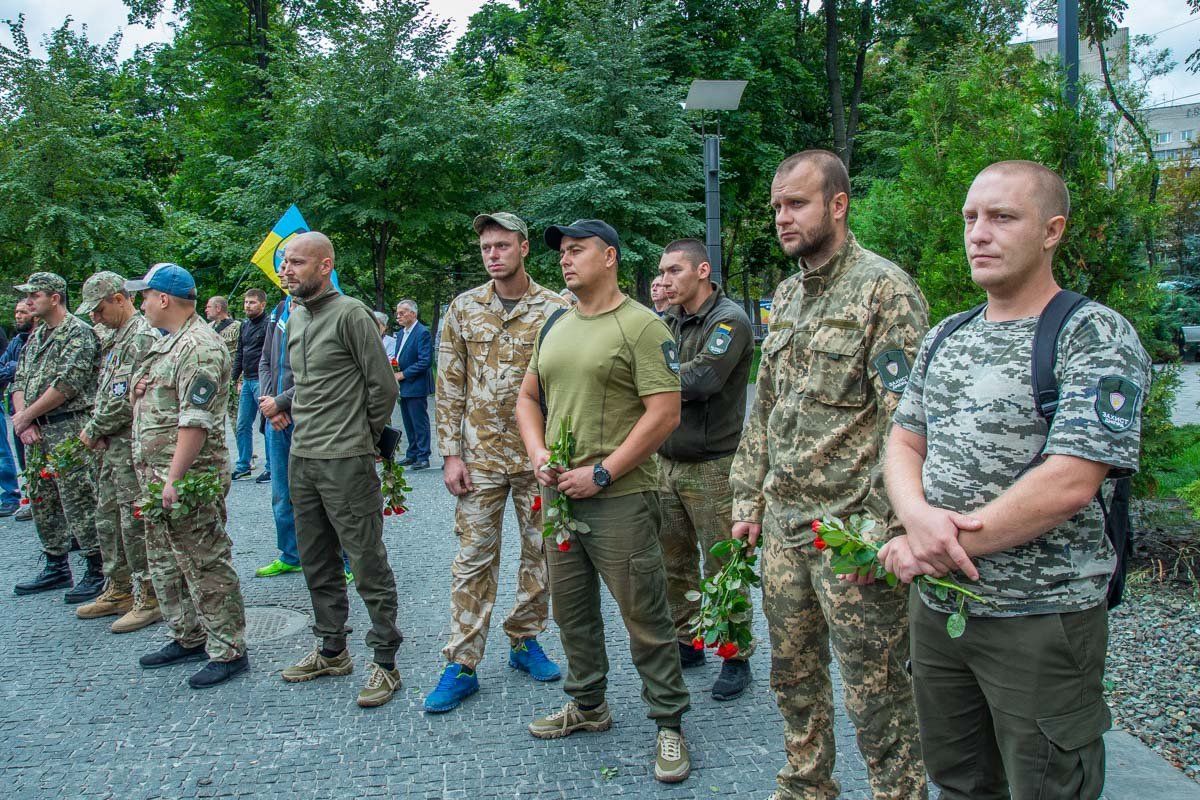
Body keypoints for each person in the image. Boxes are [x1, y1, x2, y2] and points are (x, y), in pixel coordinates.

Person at [879, 161, 1150, 800]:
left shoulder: (1092, 333)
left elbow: (1070, 482)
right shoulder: (948, 333)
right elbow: (903, 440)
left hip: (1041, 619)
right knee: (960, 783)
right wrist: (916, 519)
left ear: (1052, 230)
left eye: (1003, 217)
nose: (979, 233)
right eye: (972, 217)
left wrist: (929, 546)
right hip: (942, 611)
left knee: (1050, 788)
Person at [729, 151, 930, 800]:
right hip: (787, 526)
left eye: (797, 204)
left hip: (850, 534)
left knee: (875, 693)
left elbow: (909, 425)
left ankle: (897, 793)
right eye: (777, 207)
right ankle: (805, 785)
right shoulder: (786, 295)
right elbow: (767, 405)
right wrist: (747, 496)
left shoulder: (884, 290)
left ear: (837, 205)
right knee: (791, 674)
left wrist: (881, 530)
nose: (782, 218)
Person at [515, 218, 692, 784]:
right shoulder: (554, 326)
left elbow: (665, 413)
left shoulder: (641, 327)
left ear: (610, 257)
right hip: (561, 494)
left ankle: (668, 723)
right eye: (562, 253)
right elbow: (527, 398)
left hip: (620, 497)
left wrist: (604, 472)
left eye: (577, 250)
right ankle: (588, 705)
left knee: (644, 612)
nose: (565, 260)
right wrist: (539, 451)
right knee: (571, 612)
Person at [424, 212, 568, 713]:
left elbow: (569, 383)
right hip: (479, 458)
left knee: (543, 554)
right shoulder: (463, 309)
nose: (493, 254)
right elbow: (449, 386)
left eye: (502, 245)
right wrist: (449, 455)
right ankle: (461, 663)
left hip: (538, 456)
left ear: (524, 248)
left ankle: (525, 638)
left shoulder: (557, 307)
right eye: (486, 247)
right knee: (472, 561)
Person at [271, 231, 404, 709]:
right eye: (285, 262)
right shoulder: (297, 314)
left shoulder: (351, 314)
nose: (286, 270)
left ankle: (385, 661)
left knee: (365, 560)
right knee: (316, 559)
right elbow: (310, 382)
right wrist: (284, 402)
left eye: (297, 262)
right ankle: (332, 649)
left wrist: (361, 440)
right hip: (302, 456)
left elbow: (382, 387)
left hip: (345, 459)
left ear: (325, 266)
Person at [129, 263, 249, 688]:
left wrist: (175, 478)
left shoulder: (199, 346)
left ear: (163, 299)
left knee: (205, 561)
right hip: (158, 476)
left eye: (144, 295)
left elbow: (194, 421)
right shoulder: (168, 345)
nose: (140, 303)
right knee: (165, 561)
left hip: (188, 479)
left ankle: (228, 649)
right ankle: (188, 634)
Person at [655, 238, 756, 700]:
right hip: (667, 462)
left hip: (713, 466)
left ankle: (735, 654)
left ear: (702, 271)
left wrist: (647, 380)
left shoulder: (728, 320)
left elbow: (703, 379)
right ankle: (688, 638)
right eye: (663, 271)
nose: (665, 280)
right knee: (674, 561)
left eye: (675, 271)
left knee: (722, 566)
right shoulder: (670, 319)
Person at [74, 272, 163, 633]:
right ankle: (120, 587)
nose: (95, 317)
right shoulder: (116, 338)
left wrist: (93, 429)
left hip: (131, 446)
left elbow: (128, 398)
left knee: (134, 521)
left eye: (98, 309)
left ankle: (149, 595)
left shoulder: (140, 337)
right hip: (112, 447)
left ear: (117, 298)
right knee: (107, 517)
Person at [254, 265, 354, 583]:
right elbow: (266, 361)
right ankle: (291, 554)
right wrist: (271, 404)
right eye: (282, 268)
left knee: (332, 495)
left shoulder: (333, 312)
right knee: (282, 492)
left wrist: (282, 402)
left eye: (293, 267)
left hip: (315, 419)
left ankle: (347, 559)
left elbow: (328, 373)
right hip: (278, 419)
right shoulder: (280, 311)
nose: (284, 274)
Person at [11, 272, 104, 603]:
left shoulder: (78, 333)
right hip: (36, 429)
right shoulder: (36, 336)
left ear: (55, 297)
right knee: (42, 496)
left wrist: (25, 416)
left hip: (69, 425)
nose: (28, 300)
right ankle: (55, 564)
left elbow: (67, 385)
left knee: (78, 497)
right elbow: (18, 380)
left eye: (34, 294)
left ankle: (97, 568)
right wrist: (25, 421)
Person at [0, 299, 35, 517]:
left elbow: (22, 371)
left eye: (23, 312)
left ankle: (12, 495)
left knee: (4, 453)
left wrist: (14, 368)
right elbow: (6, 368)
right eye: (16, 312)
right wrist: (13, 368)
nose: (18, 316)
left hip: (37, 412)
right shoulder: (16, 342)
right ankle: (31, 499)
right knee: (24, 459)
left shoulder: (40, 339)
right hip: (17, 411)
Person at [231, 289, 270, 482]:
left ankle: (271, 467)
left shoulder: (268, 324)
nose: (247, 306)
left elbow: (269, 353)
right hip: (247, 380)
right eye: (246, 302)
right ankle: (243, 464)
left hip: (262, 379)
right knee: (242, 424)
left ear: (262, 305)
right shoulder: (244, 325)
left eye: (252, 302)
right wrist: (233, 377)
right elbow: (240, 352)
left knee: (267, 424)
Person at [390, 299, 433, 470]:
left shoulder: (422, 332)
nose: (398, 316)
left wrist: (403, 374)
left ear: (413, 314)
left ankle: (423, 456)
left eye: (402, 313)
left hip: (415, 383)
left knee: (419, 421)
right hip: (403, 384)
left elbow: (426, 361)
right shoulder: (401, 334)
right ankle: (412, 453)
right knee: (408, 421)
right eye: (397, 313)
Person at [206, 296, 241, 441]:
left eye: (209, 307)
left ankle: (246, 454)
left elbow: (242, 353)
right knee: (214, 419)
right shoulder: (208, 328)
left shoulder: (237, 327)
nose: (206, 310)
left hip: (232, 379)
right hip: (214, 379)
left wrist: (241, 380)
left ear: (218, 308)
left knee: (237, 419)